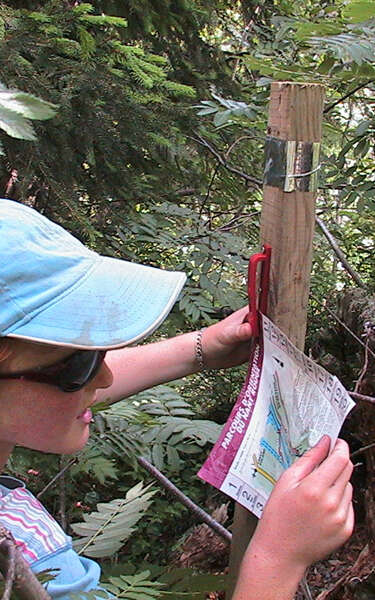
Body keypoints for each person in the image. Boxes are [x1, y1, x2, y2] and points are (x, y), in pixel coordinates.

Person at [0, 198, 353, 599]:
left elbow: (40, 390)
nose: (106, 374)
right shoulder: (21, 561)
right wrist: (277, 561)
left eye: (98, 353)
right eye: (77, 364)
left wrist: (199, 348)